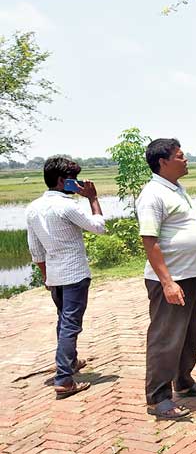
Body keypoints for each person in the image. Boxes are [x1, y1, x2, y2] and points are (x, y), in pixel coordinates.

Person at [136, 138, 196, 419]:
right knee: (165, 337)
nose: (186, 159)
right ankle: (158, 398)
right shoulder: (152, 194)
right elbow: (149, 240)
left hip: (191, 274)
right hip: (171, 279)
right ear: (163, 162)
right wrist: (167, 282)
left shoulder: (176, 189)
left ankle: (183, 381)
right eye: (180, 156)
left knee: (189, 334)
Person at [26, 156, 106, 399]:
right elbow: (99, 227)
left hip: (55, 275)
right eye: (73, 180)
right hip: (75, 274)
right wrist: (92, 198)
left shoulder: (33, 208)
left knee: (64, 321)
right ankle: (64, 379)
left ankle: (69, 364)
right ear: (62, 181)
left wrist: (46, 277)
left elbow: (35, 249)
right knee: (71, 325)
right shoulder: (67, 206)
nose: (76, 185)